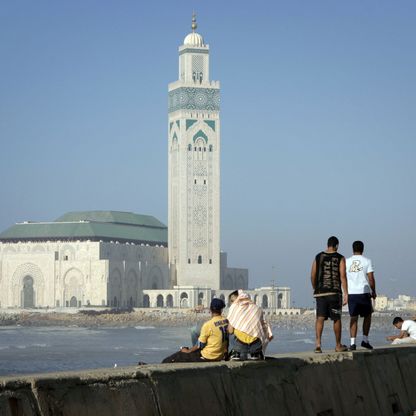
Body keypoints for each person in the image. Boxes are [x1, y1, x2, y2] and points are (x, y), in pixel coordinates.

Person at [311, 236, 348, 353]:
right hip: (334, 293)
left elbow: (312, 274)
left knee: (320, 318)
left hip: (321, 293)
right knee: (336, 319)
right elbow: (342, 276)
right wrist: (346, 293)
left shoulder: (318, 256)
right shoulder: (340, 258)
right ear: (336, 245)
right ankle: (338, 345)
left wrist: (315, 287)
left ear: (327, 245)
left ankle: (318, 345)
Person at [161, 298, 229, 363]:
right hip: (220, 356)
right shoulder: (226, 321)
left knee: (173, 358)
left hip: (208, 357)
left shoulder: (208, 325)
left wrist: (188, 351)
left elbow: (199, 345)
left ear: (210, 309)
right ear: (221, 310)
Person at [346, 240, 376, 350]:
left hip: (351, 293)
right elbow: (371, 279)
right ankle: (365, 340)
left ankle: (352, 343)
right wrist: (374, 291)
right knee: (367, 316)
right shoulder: (367, 261)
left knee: (353, 318)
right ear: (363, 249)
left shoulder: (347, 261)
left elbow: (343, 278)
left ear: (353, 249)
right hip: (364, 293)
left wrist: (345, 292)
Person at [227, 290, 273, 361]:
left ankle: (236, 353)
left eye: (232, 301)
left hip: (240, 346)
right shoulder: (257, 308)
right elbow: (265, 327)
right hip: (256, 345)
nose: (232, 303)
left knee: (230, 331)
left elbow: (230, 331)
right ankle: (255, 354)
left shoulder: (234, 309)